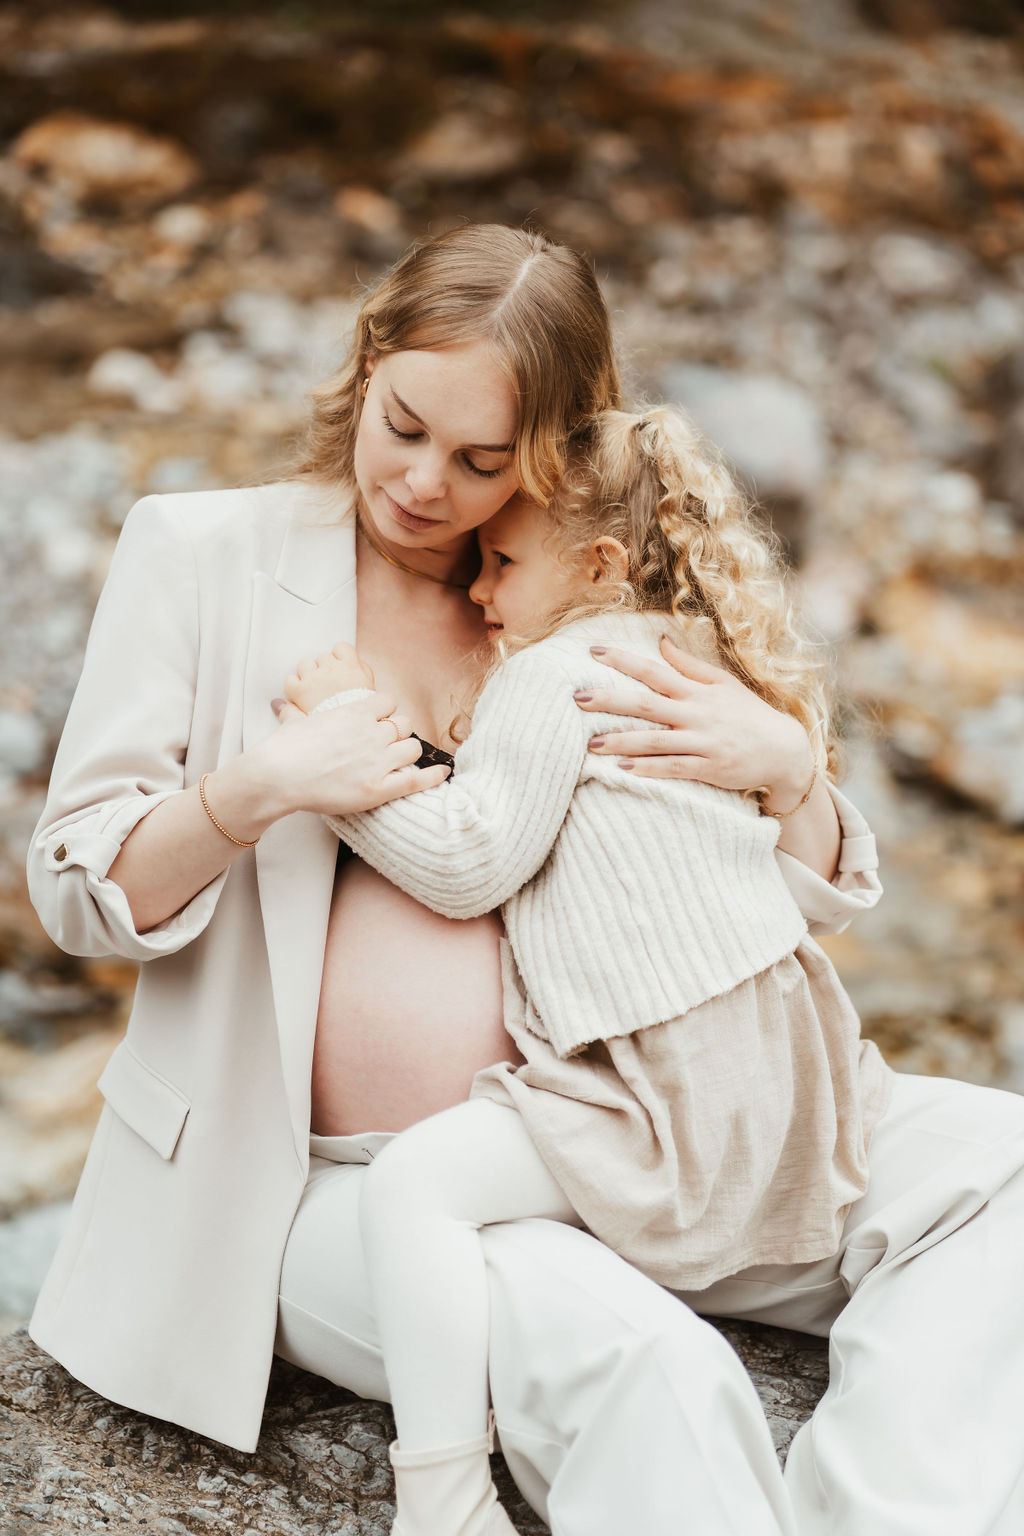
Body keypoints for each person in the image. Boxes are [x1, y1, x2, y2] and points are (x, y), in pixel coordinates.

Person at [23, 223, 1024, 1536]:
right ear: (367, 361)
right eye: (404, 425)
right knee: (653, 1371)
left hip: (642, 1109)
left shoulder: (578, 581)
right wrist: (257, 786)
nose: (426, 483)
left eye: (483, 461)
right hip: (342, 1181)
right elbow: (74, 890)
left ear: (552, 448)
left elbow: (766, 887)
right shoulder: (202, 554)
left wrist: (791, 774)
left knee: (1001, 1165)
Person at [287, 404, 894, 1536]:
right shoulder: (694, 658)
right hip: (779, 1075)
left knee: (418, 1187)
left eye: (502, 562)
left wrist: (343, 746)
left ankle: (444, 1496)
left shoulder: (555, 672)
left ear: (600, 563)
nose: (477, 591)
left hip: (662, 1094)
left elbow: (469, 863)